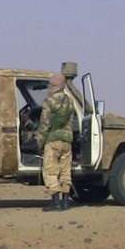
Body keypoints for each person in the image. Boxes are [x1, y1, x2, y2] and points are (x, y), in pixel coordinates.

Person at [36, 73, 75, 212]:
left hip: (53, 141)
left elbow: (44, 124)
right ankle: (65, 202)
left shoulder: (49, 101)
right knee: (65, 172)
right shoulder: (70, 101)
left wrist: (39, 142)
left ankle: (56, 203)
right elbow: (72, 122)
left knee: (50, 171)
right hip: (67, 142)